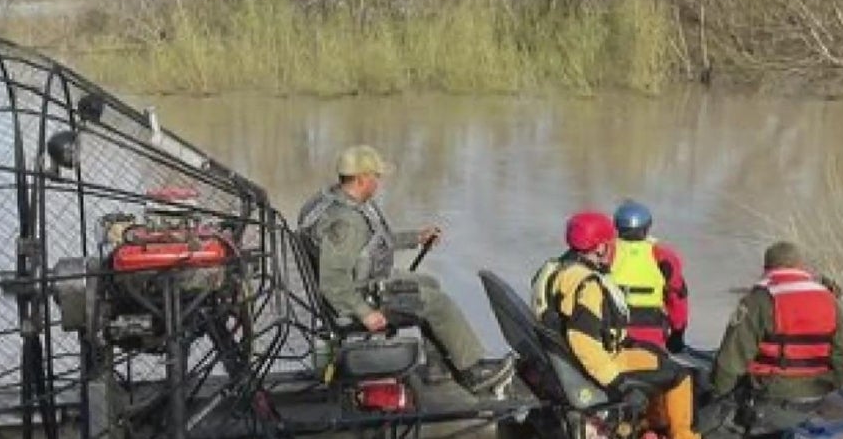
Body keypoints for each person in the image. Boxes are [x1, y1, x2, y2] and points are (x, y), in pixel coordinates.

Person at [297, 144, 515, 394]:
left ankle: (439, 367)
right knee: (437, 303)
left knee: (429, 282)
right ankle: (472, 373)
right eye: (375, 177)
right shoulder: (347, 223)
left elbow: (371, 244)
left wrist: (415, 238)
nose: (378, 182)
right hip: (354, 300)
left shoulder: (331, 201)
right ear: (361, 179)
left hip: (361, 282)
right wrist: (365, 313)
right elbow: (333, 281)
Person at [531, 211, 701, 439]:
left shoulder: (557, 270)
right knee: (679, 375)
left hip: (569, 360)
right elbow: (584, 342)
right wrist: (619, 384)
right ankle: (680, 434)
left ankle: (647, 427)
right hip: (599, 364)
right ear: (599, 248)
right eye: (609, 243)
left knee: (653, 355)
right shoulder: (587, 285)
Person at [702, 241, 843, 438]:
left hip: (769, 398)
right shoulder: (828, 298)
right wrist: (827, 386)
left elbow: (730, 362)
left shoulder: (758, 300)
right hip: (814, 398)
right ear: (801, 266)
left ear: (767, 268)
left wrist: (716, 396)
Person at [610, 200, 690, 352]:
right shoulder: (662, 256)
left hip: (611, 332)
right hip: (651, 335)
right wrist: (678, 333)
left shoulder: (605, 253)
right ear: (647, 227)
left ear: (617, 226)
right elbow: (678, 296)